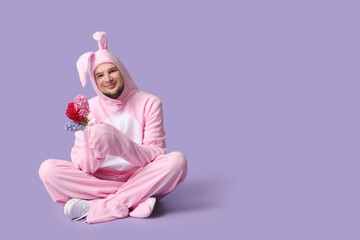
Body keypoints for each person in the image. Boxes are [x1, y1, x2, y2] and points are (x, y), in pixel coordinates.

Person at [38, 31, 187, 224]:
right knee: (48, 170)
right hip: (99, 181)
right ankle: (135, 200)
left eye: (112, 71)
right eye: (100, 75)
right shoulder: (88, 109)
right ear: (94, 81)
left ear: (122, 71)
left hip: (140, 175)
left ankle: (102, 206)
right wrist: (97, 148)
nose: (107, 79)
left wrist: (120, 145)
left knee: (176, 162)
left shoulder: (150, 102)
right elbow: (84, 166)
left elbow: (156, 153)